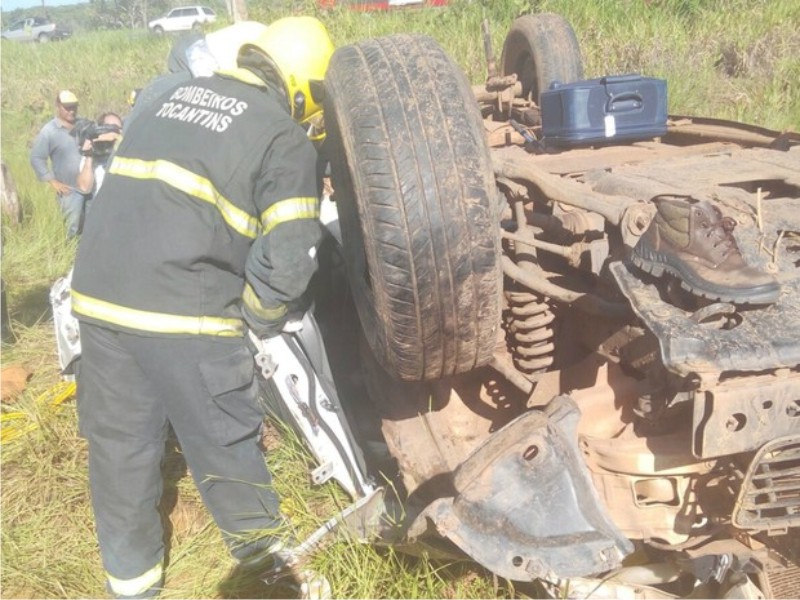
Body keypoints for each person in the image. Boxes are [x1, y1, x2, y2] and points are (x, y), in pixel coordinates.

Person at [70, 16, 335, 598]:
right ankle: (269, 569)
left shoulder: (172, 96)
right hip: (183, 311)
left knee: (120, 450)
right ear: (300, 89)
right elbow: (292, 251)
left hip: (98, 296)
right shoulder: (281, 134)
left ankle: (132, 584)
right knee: (223, 440)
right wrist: (259, 318)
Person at [30, 90, 91, 237]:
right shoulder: (50, 131)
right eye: (67, 107)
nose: (71, 110)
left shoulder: (85, 125)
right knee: (72, 229)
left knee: (91, 228)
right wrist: (53, 182)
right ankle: (69, 257)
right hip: (69, 190)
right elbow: (37, 158)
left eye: (74, 106)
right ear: (58, 106)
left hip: (90, 188)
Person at [76, 111, 123, 197]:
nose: (114, 132)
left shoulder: (125, 149)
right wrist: (89, 155)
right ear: (101, 130)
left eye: (118, 129)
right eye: (110, 128)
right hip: (100, 204)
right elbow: (84, 188)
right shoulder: (93, 151)